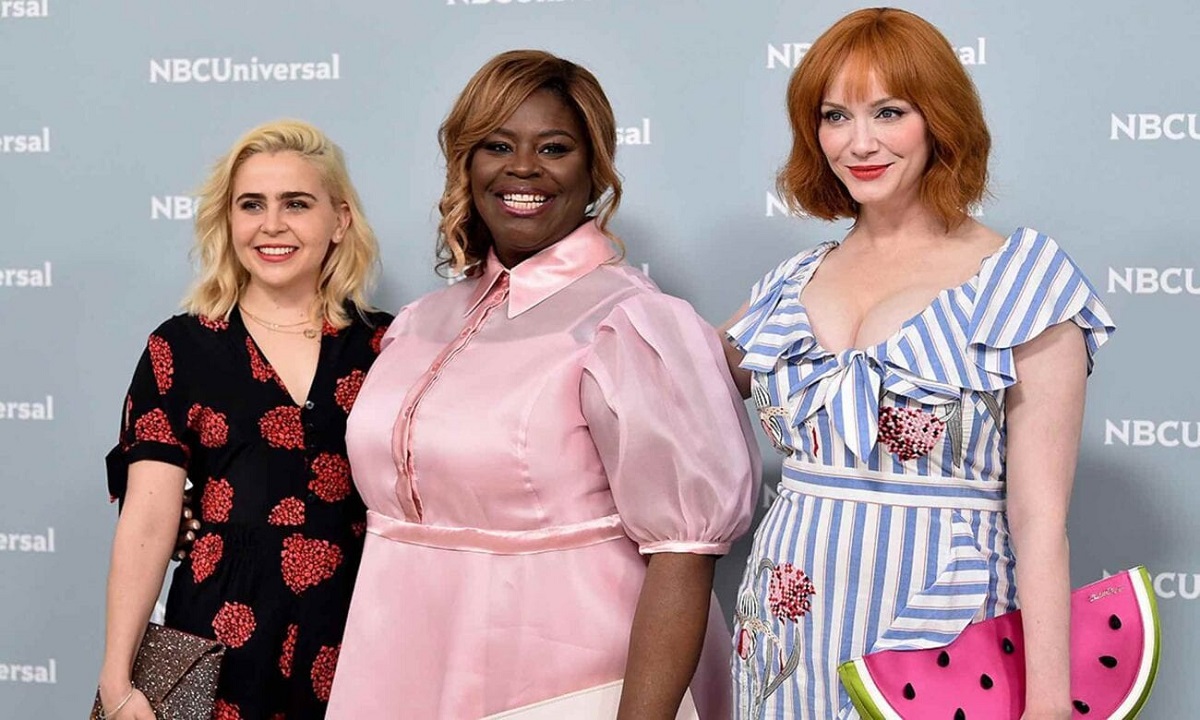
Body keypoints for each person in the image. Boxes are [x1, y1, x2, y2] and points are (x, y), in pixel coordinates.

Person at [326, 50, 759, 719]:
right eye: (498, 146)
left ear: (594, 170)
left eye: (554, 147)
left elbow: (684, 552)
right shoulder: (421, 322)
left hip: (570, 684)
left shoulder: (631, 322)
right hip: (396, 671)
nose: (523, 168)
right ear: (467, 164)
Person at [721, 8, 1115, 719]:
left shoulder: (1024, 279)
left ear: (939, 119)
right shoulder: (790, 281)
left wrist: (1050, 703)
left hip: (943, 620)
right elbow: (672, 385)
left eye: (889, 112)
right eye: (835, 116)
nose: (859, 142)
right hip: (784, 628)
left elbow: (1038, 519)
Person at [98, 119, 392, 720]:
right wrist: (117, 677)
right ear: (228, 220)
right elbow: (148, 518)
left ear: (339, 220)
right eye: (251, 204)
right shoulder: (181, 348)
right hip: (218, 643)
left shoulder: (388, 346)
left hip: (363, 640)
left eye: (296, 204)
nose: (271, 224)